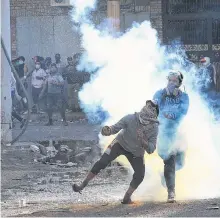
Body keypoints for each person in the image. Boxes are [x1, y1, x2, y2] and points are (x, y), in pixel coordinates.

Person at [72, 101, 159, 204]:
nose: (143, 123)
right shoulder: (130, 118)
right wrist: (107, 130)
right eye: (143, 118)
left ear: (152, 120)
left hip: (137, 152)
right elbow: (115, 128)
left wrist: (143, 141)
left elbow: (151, 149)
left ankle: (127, 196)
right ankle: (82, 185)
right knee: (102, 162)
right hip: (120, 144)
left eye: (147, 121)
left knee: (140, 174)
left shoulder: (154, 129)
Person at [153, 71, 189, 203]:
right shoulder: (159, 94)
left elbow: (182, 113)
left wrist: (170, 116)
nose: (171, 83)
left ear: (179, 83)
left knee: (180, 163)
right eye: (170, 80)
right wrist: (161, 99)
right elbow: (152, 110)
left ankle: (164, 176)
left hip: (177, 133)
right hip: (163, 133)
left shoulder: (184, 97)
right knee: (170, 161)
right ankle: (171, 192)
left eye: (174, 81)